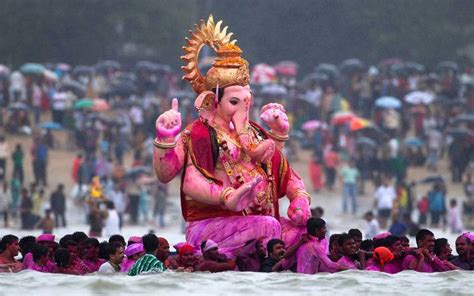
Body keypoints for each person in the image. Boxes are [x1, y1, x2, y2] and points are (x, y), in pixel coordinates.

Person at [152, 16, 312, 257]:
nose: (243, 109)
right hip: (211, 225)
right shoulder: (200, 133)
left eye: (247, 101)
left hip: (257, 223)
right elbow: (175, 177)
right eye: (234, 102)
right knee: (268, 226)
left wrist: (299, 199)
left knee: (308, 232)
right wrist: (165, 138)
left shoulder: (255, 133)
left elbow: (288, 175)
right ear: (212, 100)